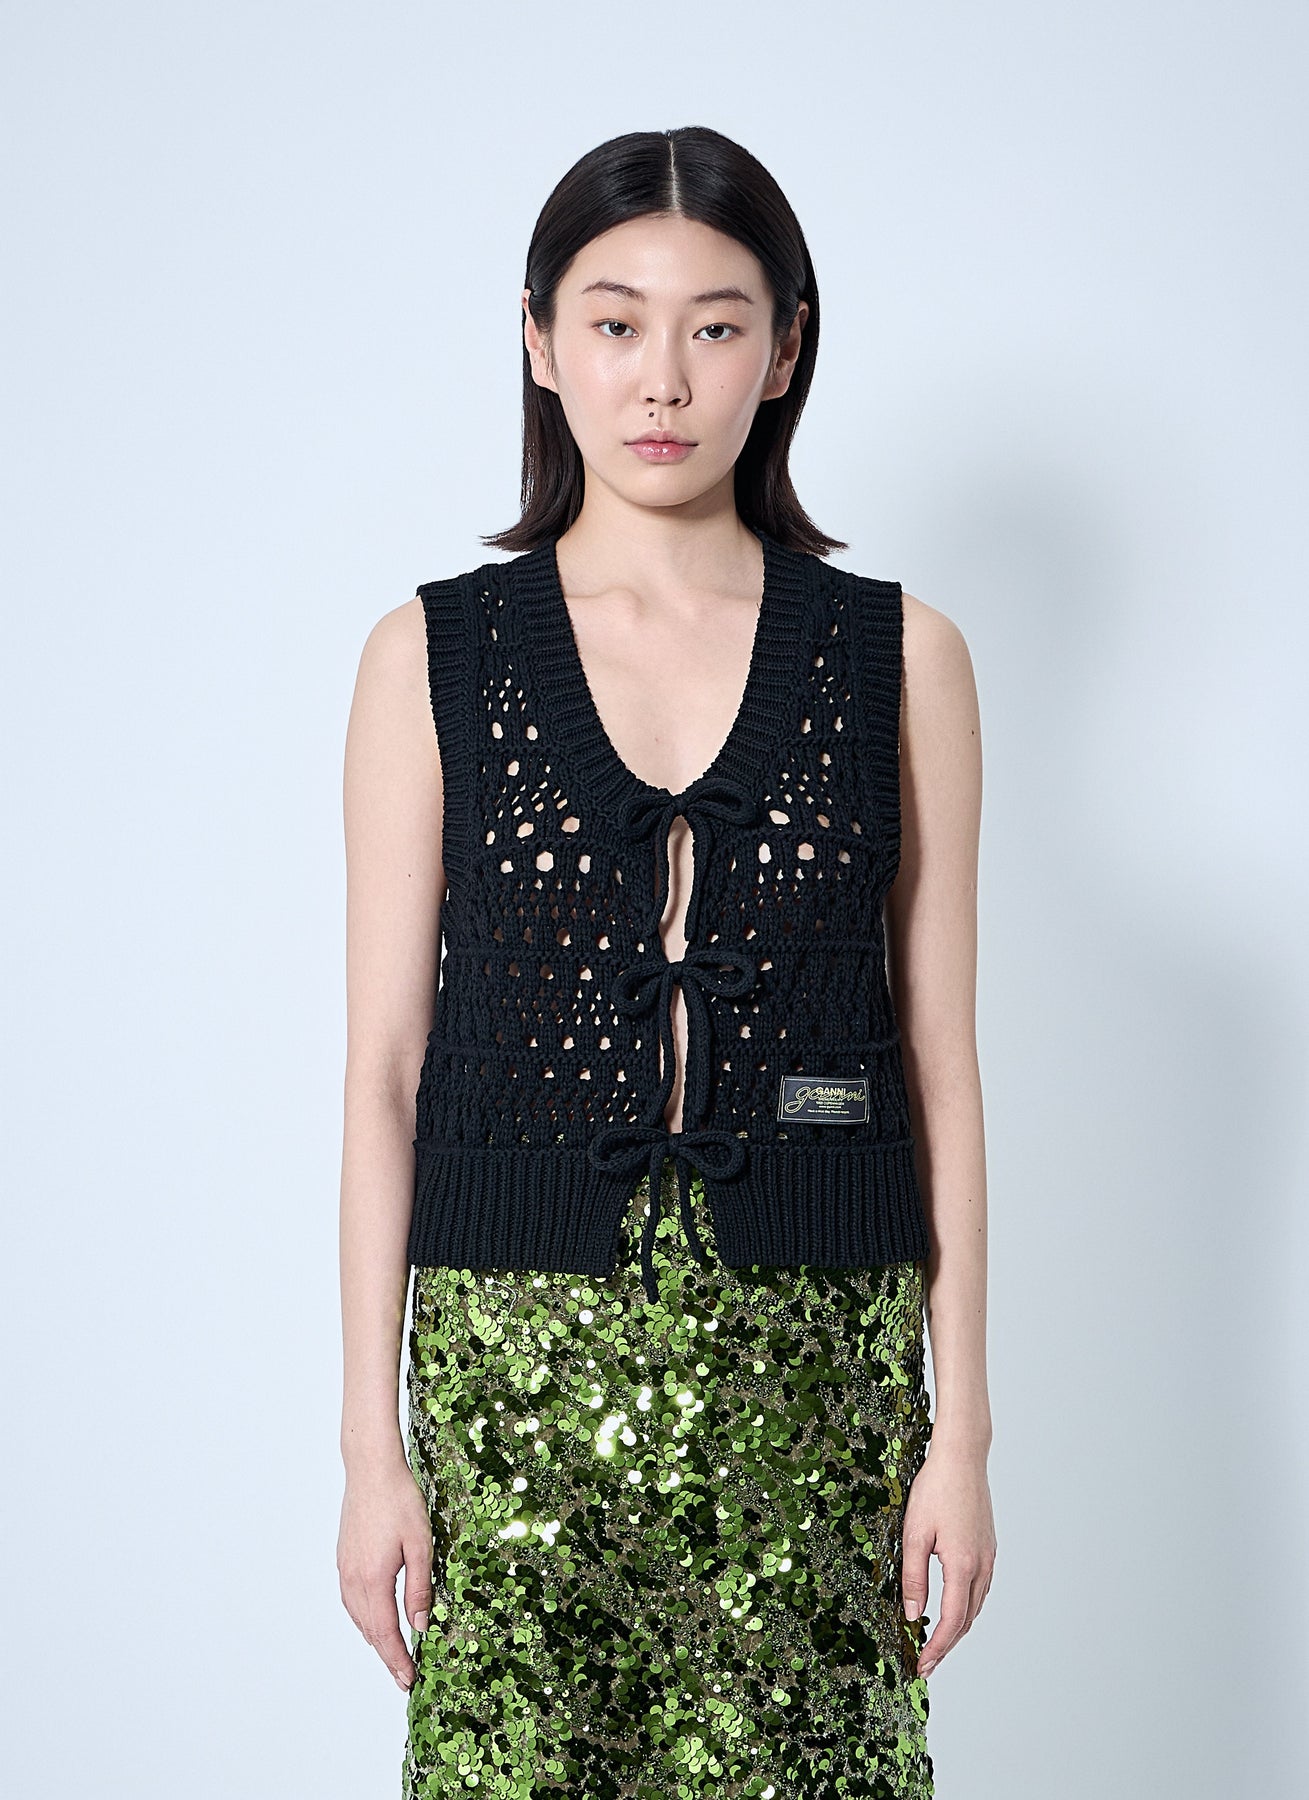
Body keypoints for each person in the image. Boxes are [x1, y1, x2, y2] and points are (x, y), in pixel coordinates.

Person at [337, 125, 996, 1799]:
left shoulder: (900, 658)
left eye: (715, 325)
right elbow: (386, 1070)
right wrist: (368, 1449)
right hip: (511, 1369)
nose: (662, 379)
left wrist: (963, 1432)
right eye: (615, 321)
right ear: (539, 341)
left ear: (782, 350)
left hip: (819, 1376)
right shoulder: (432, 657)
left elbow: (938, 1060)